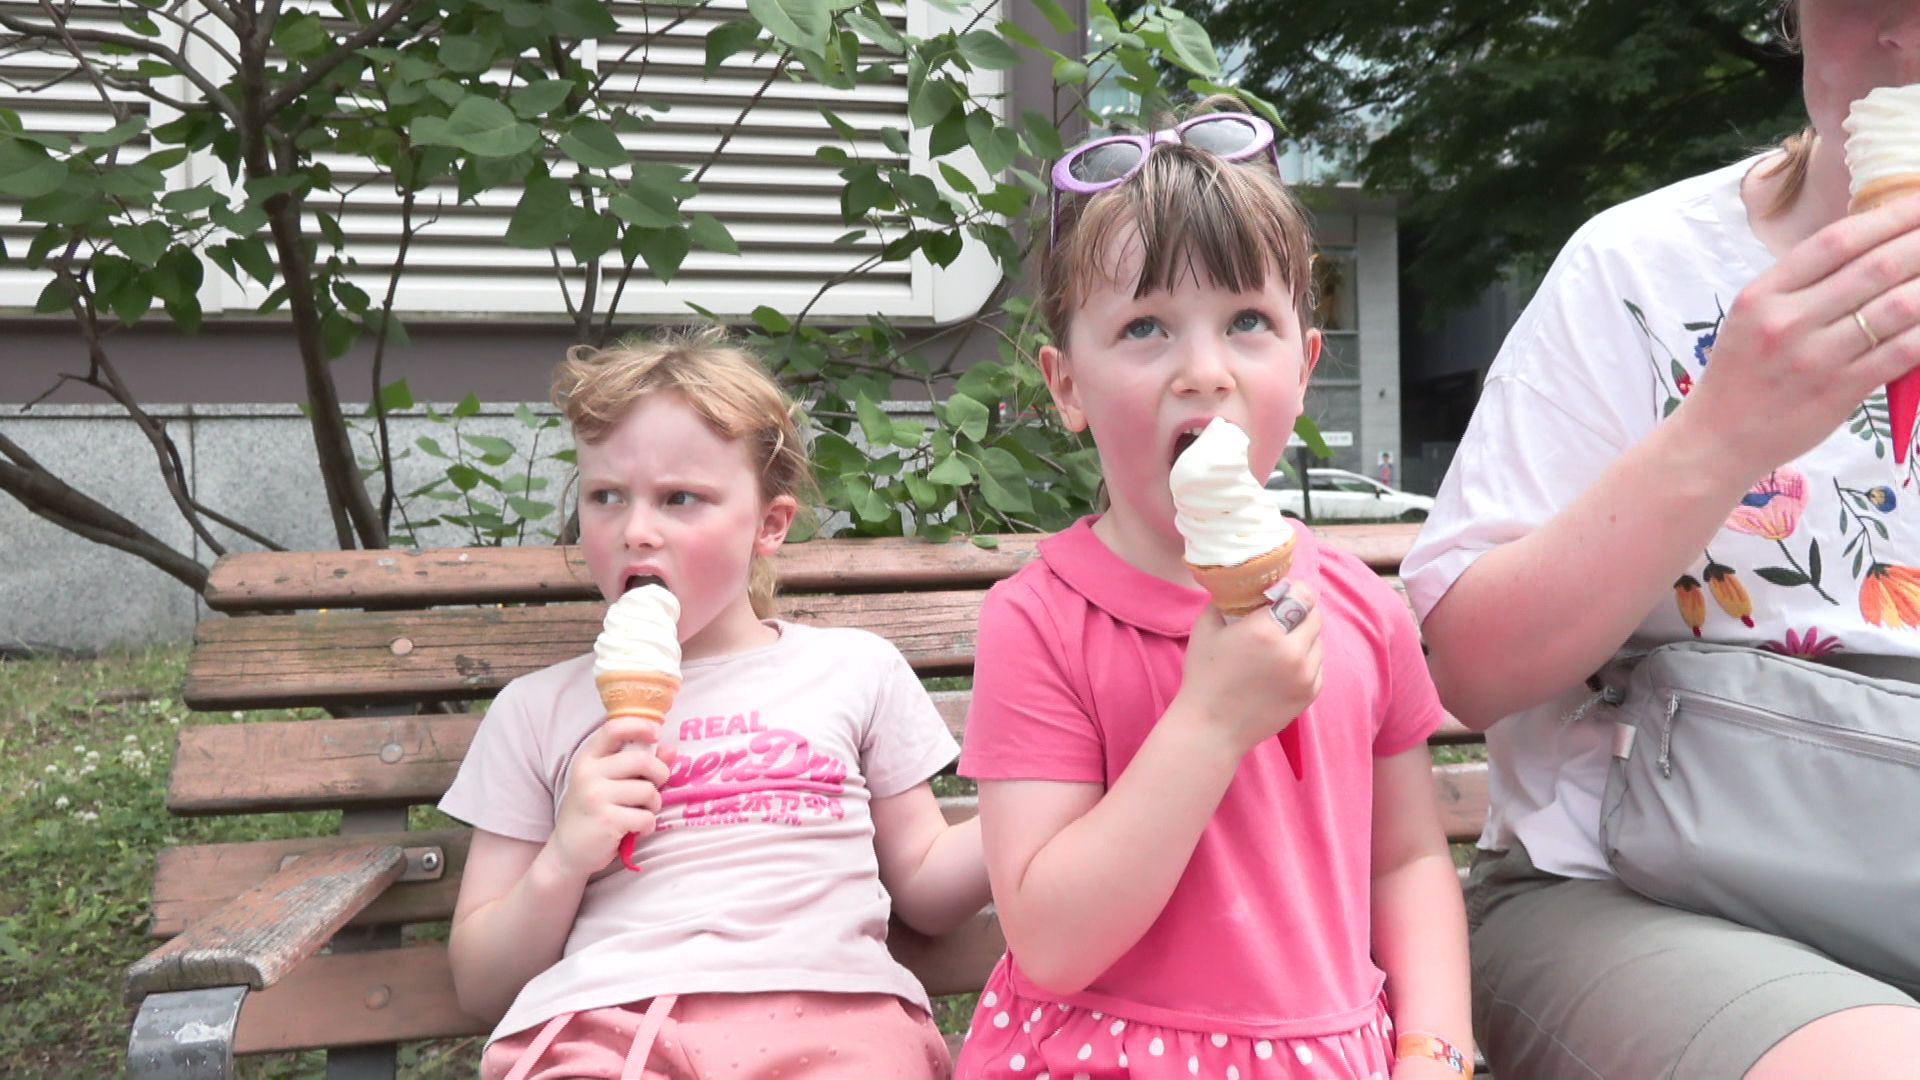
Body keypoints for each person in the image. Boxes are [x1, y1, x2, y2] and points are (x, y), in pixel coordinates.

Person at [1401, 3, 1920, 1077]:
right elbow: (1470, 669)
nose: (1905, 39)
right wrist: (1723, 430)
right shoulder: (1640, 268)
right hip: (1635, 893)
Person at [954, 106, 1472, 1080]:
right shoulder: (1042, 621)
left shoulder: (1363, 608)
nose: (1205, 371)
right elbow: (1050, 939)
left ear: (1306, 365)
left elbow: (1404, 862)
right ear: (1066, 387)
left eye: (1248, 323)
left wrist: (1435, 1051)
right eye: (1145, 327)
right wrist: (1210, 720)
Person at [441, 328, 990, 1080]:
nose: (635, 530)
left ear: (769, 524)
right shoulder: (537, 710)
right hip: (611, 1023)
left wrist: (1052, 800)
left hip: (834, 1014)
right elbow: (480, 983)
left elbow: (926, 883)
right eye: (606, 497)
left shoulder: (853, 670)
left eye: (679, 499)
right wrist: (564, 859)